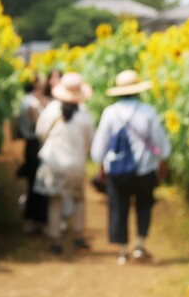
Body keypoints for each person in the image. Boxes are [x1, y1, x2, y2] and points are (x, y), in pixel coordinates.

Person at [91, 69, 170, 265]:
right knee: (144, 205)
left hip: (117, 170)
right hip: (144, 169)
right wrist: (162, 161)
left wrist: (101, 163)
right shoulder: (148, 111)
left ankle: (122, 250)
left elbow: (101, 143)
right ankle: (140, 246)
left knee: (118, 206)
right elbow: (160, 141)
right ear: (137, 91)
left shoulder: (110, 112)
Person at [34, 72, 95, 254]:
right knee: (78, 199)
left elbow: (39, 132)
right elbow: (90, 142)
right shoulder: (84, 114)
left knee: (55, 200)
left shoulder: (51, 109)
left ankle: (55, 239)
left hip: (53, 162)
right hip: (76, 164)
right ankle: (77, 236)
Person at [18, 74, 48, 234]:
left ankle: (32, 221)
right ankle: (34, 222)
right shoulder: (31, 103)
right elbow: (40, 127)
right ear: (35, 83)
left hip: (32, 145)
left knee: (34, 183)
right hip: (35, 145)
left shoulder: (29, 100)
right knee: (37, 184)